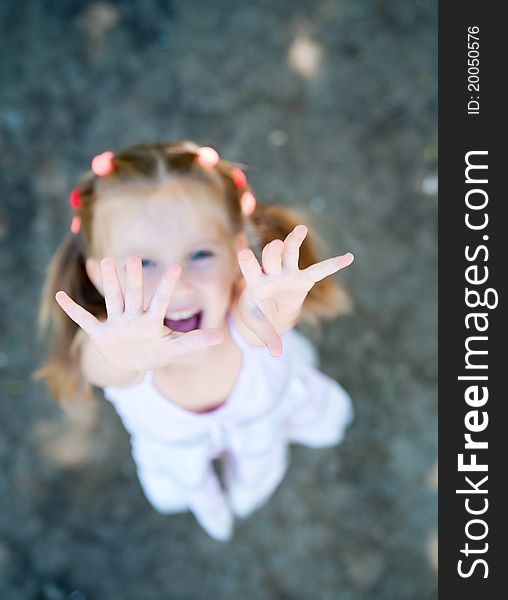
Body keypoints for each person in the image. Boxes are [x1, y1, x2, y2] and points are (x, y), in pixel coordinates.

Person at [35, 140, 355, 541]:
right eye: (144, 264)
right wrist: (122, 356)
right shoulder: (111, 343)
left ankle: (247, 493)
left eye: (200, 254)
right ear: (100, 276)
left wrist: (277, 308)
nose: (179, 285)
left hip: (262, 425)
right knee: (175, 489)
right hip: (176, 449)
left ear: (237, 250)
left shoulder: (245, 307)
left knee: (260, 472)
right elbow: (99, 364)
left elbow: (261, 321)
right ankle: (209, 503)